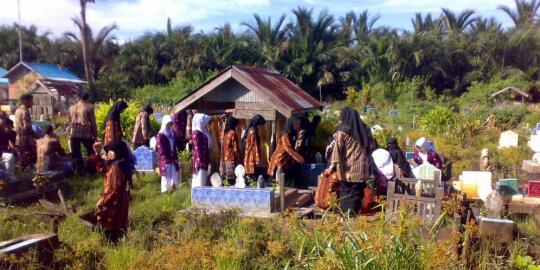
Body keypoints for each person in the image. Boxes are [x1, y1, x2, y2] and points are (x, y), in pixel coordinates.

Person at [326, 107, 373, 216]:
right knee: (357, 194)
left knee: (346, 194)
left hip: (346, 170)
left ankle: (346, 219)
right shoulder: (365, 129)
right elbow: (371, 147)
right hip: (361, 171)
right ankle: (353, 217)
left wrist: (331, 167)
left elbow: (337, 150)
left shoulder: (342, 130)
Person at [95, 140, 131, 243]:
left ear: (118, 152)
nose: (108, 153)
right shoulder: (121, 163)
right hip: (122, 200)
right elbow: (102, 168)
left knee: (109, 225)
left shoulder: (115, 168)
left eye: (111, 151)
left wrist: (102, 201)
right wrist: (98, 153)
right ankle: (120, 244)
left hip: (114, 201)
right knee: (119, 223)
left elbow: (113, 190)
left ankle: (112, 246)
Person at [268, 116, 305, 187]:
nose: (297, 126)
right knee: (275, 182)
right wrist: (299, 158)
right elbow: (288, 148)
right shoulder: (285, 135)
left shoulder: (292, 133)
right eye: (296, 124)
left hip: (286, 161)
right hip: (279, 160)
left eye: (298, 124)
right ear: (291, 124)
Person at [68, 92, 97, 175]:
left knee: (76, 153)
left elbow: (69, 121)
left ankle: (79, 171)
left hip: (74, 131)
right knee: (90, 151)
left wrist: (72, 127)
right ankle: (91, 170)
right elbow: (93, 122)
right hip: (85, 130)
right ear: (87, 98)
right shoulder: (89, 107)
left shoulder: (71, 107)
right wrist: (95, 134)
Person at [157, 115, 179, 192]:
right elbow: (162, 150)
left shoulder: (172, 133)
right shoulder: (161, 135)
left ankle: (173, 189)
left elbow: (176, 143)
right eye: (168, 123)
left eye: (171, 123)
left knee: (174, 174)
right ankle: (165, 192)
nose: (169, 125)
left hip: (173, 157)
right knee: (166, 175)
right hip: (165, 159)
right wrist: (170, 156)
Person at [15, 94, 36, 170]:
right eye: (31, 101)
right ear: (25, 101)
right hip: (26, 139)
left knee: (22, 158)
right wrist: (35, 135)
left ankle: (23, 173)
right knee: (28, 158)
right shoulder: (25, 111)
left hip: (19, 138)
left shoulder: (17, 110)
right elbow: (27, 127)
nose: (32, 103)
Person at [243, 114, 266, 180]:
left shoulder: (251, 130)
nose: (261, 127)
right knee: (254, 178)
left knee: (251, 177)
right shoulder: (253, 132)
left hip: (250, 157)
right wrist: (258, 159)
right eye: (261, 125)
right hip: (252, 157)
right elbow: (254, 146)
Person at [192, 113, 212, 187]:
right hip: (200, 160)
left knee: (203, 180)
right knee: (199, 180)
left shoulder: (204, 131)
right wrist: (199, 161)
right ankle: (197, 198)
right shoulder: (196, 133)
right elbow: (197, 148)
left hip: (205, 158)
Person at [220, 117, 240, 182]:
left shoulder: (226, 133)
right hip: (232, 158)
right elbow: (235, 148)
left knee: (227, 180)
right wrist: (239, 159)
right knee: (232, 180)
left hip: (225, 158)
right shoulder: (233, 133)